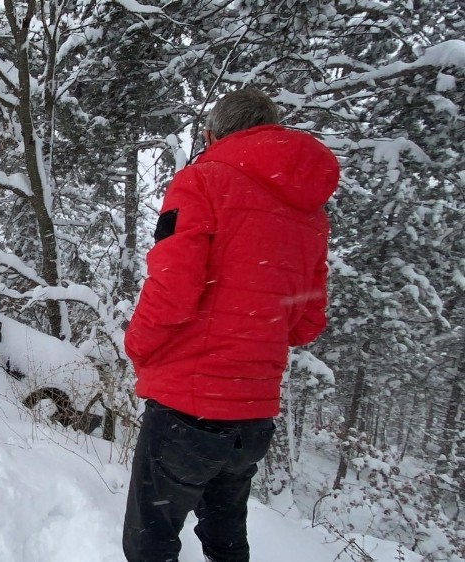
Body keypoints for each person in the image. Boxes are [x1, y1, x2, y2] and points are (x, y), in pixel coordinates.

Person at [122, 88, 339, 562]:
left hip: (187, 409)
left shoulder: (201, 182)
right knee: (225, 537)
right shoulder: (310, 212)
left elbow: (172, 291)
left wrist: (137, 345)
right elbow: (306, 323)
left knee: (149, 541)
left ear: (211, 134)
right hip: (252, 416)